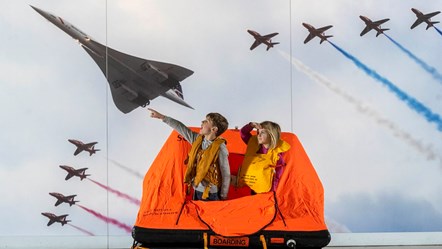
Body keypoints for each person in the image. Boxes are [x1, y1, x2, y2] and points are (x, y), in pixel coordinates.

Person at [148, 108, 230, 201]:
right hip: (196, 188)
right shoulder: (197, 139)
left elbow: (225, 173)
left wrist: (223, 195)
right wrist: (162, 117)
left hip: (211, 194)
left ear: (214, 129)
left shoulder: (220, 148)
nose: (202, 122)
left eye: (206, 121)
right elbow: (181, 128)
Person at [235, 121, 290, 194]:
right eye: (258, 132)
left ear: (271, 135)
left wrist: (272, 191)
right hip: (246, 186)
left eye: (263, 132)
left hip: (262, 190)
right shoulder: (253, 143)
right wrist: (251, 125)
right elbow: (243, 133)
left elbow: (277, 175)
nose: (259, 135)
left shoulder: (276, 155)